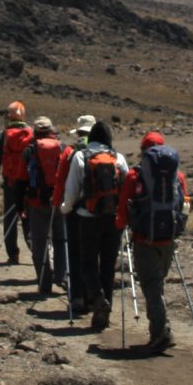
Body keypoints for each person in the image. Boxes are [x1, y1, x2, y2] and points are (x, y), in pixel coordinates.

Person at [117, 131, 187, 355]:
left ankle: (161, 332)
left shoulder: (134, 176)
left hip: (144, 239)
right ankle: (160, 328)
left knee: (151, 286)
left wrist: (122, 226)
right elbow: (184, 206)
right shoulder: (178, 176)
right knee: (158, 284)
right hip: (168, 239)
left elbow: (123, 208)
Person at [61, 119, 125, 329]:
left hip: (87, 218)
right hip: (113, 219)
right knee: (108, 265)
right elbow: (126, 189)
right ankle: (105, 310)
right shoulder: (118, 158)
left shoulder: (81, 156)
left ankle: (97, 299)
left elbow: (71, 190)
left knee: (88, 264)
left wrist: (65, 208)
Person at [22, 116, 71, 301]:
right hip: (58, 201)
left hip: (36, 202)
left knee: (40, 242)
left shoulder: (30, 150)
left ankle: (44, 283)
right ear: (52, 130)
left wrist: (20, 204)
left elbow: (21, 178)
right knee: (61, 239)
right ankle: (61, 276)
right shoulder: (63, 147)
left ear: (35, 131)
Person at [0, 101, 34, 265]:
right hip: (28, 183)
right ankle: (36, 250)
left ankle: (13, 254)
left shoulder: (3, 135)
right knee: (28, 218)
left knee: (10, 217)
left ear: (9, 116)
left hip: (10, 182)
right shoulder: (31, 134)